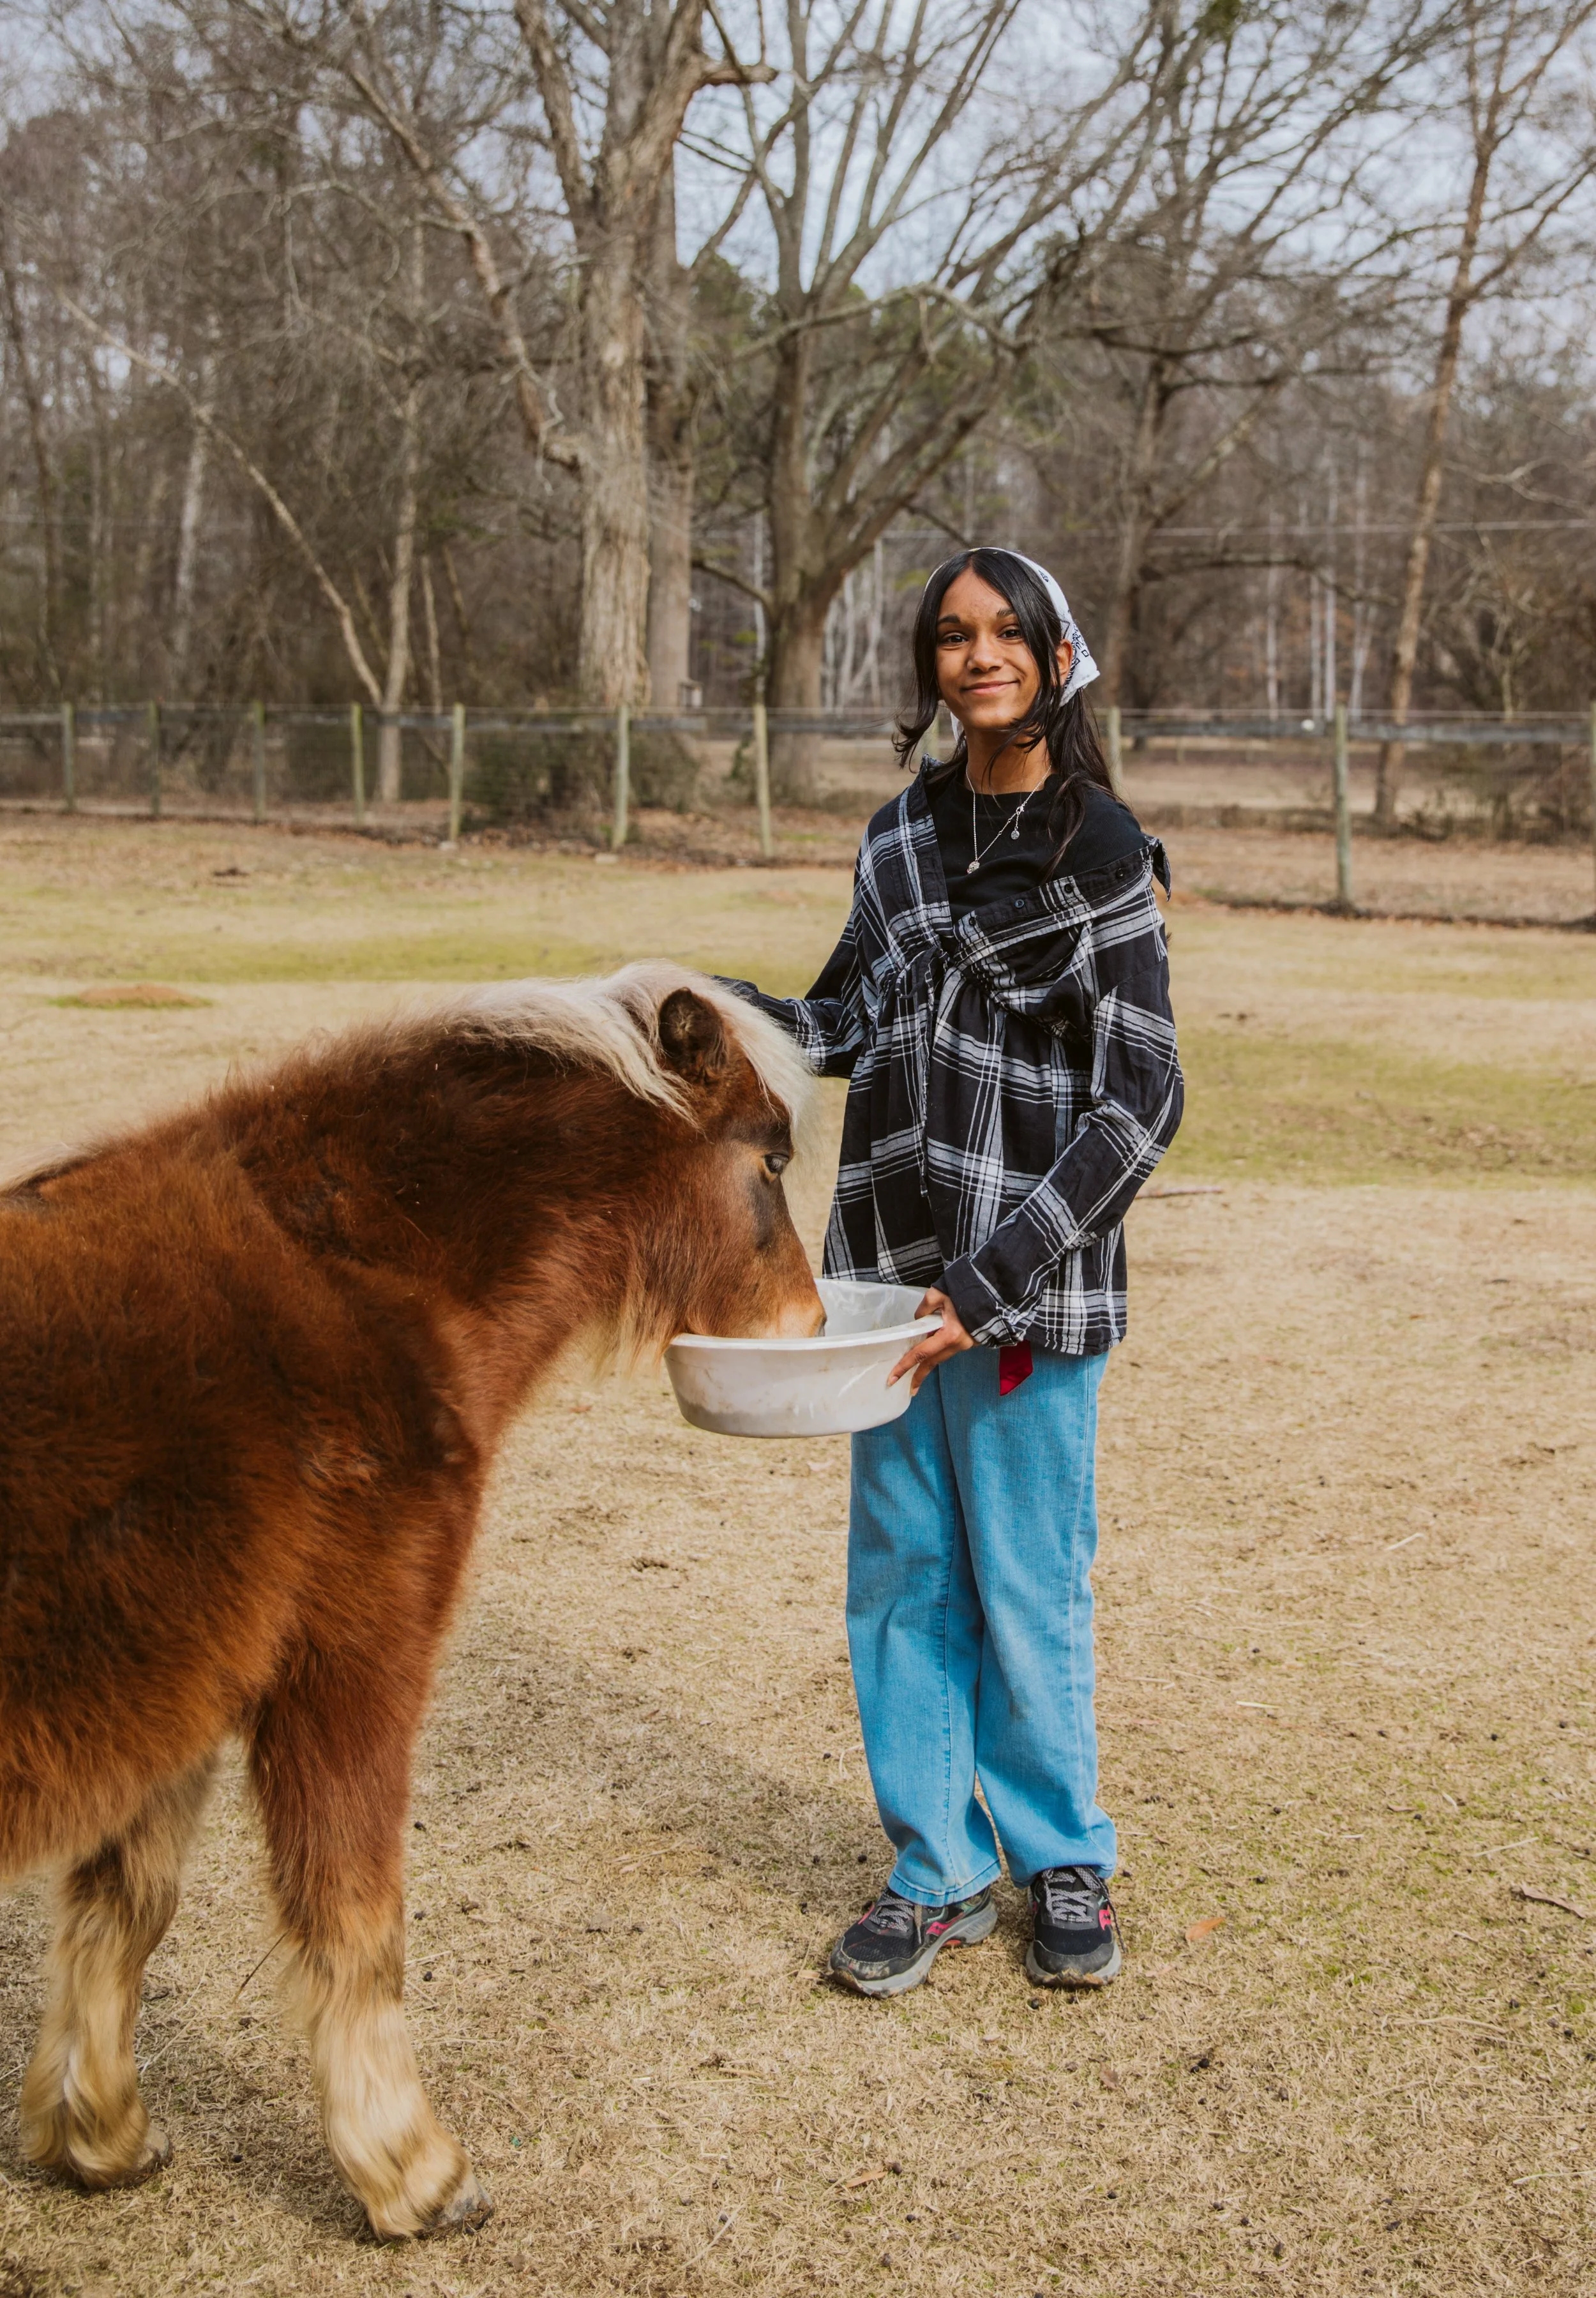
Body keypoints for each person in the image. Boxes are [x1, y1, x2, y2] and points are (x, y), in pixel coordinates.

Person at [727, 548, 1182, 1997]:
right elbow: (844, 1020)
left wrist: (987, 1284)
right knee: (903, 1577)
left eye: (1002, 633)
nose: (975, 656)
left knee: (1028, 1584)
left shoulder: (1099, 848)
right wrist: (703, 1013)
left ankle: (1063, 1858)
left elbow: (1143, 1098)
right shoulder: (898, 841)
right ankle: (935, 1868)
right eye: (949, 636)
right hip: (882, 1286)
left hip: (1016, 1301)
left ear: (1055, 657)